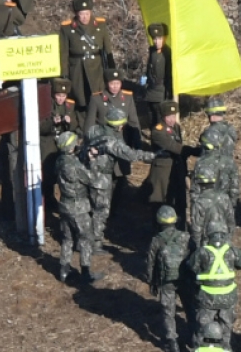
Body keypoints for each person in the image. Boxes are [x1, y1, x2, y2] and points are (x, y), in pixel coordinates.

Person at [84, 110, 155, 253]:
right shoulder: (112, 141)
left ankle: (84, 239)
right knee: (101, 211)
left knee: (89, 208)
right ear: (117, 125)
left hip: (87, 174)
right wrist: (151, 155)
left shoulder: (93, 130)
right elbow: (130, 154)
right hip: (102, 178)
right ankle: (95, 243)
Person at [187, 221, 241, 350]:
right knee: (226, 328)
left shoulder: (202, 252)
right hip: (228, 297)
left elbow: (191, 267)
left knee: (203, 327)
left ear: (208, 234)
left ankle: (200, 348)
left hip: (207, 297)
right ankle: (225, 348)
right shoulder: (232, 251)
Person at [54, 131, 105, 284]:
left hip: (64, 204)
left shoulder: (59, 161)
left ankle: (64, 270)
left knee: (67, 239)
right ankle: (85, 271)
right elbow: (92, 180)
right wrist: (92, 161)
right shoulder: (75, 165)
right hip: (79, 207)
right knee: (85, 239)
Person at [146, 205, 193, 352]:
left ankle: (172, 341)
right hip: (184, 279)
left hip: (166, 281)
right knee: (190, 307)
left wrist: (152, 282)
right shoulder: (185, 237)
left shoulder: (156, 240)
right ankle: (194, 335)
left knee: (168, 310)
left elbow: (151, 264)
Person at [59, 0, 115, 116]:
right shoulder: (67, 28)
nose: (85, 17)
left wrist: (112, 70)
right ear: (76, 14)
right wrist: (64, 74)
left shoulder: (100, 25)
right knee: (80, 98)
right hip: (77, 67)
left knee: (98, 95)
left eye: (87, 13)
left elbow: (107, 49)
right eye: (82, 14)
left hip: (96, 67)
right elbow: (64, 53)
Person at [147, 101, 199, 224]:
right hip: (163, 172)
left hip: (177, 169)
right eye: (168, 116)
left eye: (173, 116)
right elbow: (174, 147)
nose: (171, 119)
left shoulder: (176, 127)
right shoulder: (158, 131)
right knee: (162, 202)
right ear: (163, 116)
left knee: (179, 201)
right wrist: (195, 151)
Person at [85, 68, 141, 179]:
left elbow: (134, 121)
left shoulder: (127, 97)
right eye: (112, 83)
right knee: (104, 177)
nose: (115, 86)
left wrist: (137, 144)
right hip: (103, 142)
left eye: (118, 83)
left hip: (123, 141)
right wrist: (90, 144)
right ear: (107, 83)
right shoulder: (97, 98)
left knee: (121, 177)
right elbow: (89, 124)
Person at [39, 78, 78, 211]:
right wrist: (52, 123)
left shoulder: (69, 106)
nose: (61, 99)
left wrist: (69, 121)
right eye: (58, 95)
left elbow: (75, 125)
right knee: (48, 173)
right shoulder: (46, 105)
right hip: (48, 140)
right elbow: (40, 127)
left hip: (63, 142)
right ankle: (47, 199)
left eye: (63, 96)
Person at [191, 128, 239, 208]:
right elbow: (234, 186)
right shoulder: (229, 162)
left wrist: (195, 208)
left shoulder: (200, 163)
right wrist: (232, 204)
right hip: (224, 205)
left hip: (205, 205)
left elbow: (195, 189)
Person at [189, 164, 235, 249]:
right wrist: (228, 238)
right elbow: (231, 221)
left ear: (200, 184)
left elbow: (196, 229)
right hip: (224, 241)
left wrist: (198, 248)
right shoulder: (225, 198)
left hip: (207, 243)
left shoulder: (199, 202)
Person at [142, 23, 173, 128]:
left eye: (159, 38)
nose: (157, 41)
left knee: (160, 120)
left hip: (161, 92)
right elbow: (149, 68)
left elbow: (169, 76)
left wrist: (169, 95)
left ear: (165, 38)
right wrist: (144, 81)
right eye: (154, 38)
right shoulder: (152, 51)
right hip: (150, 90)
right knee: (152, 117)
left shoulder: (168, 54)